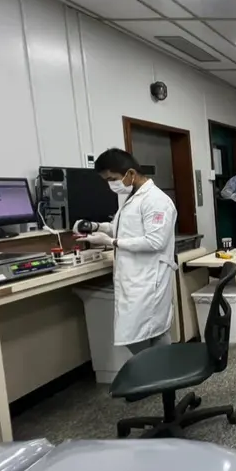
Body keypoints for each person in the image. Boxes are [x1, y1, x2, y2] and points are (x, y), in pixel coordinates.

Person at [74, 148, 177, 355]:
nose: (110, 184)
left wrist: (112, 242)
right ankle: (161, 373)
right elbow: (126, 228)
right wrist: (97, 227)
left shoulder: (156, 201)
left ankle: (157, 371)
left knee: (144, 333)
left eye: (112, 178)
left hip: (149, 278)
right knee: (151, 332)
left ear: (130, 173)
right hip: (136, 277)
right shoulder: (132, 197)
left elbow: (155, 241)